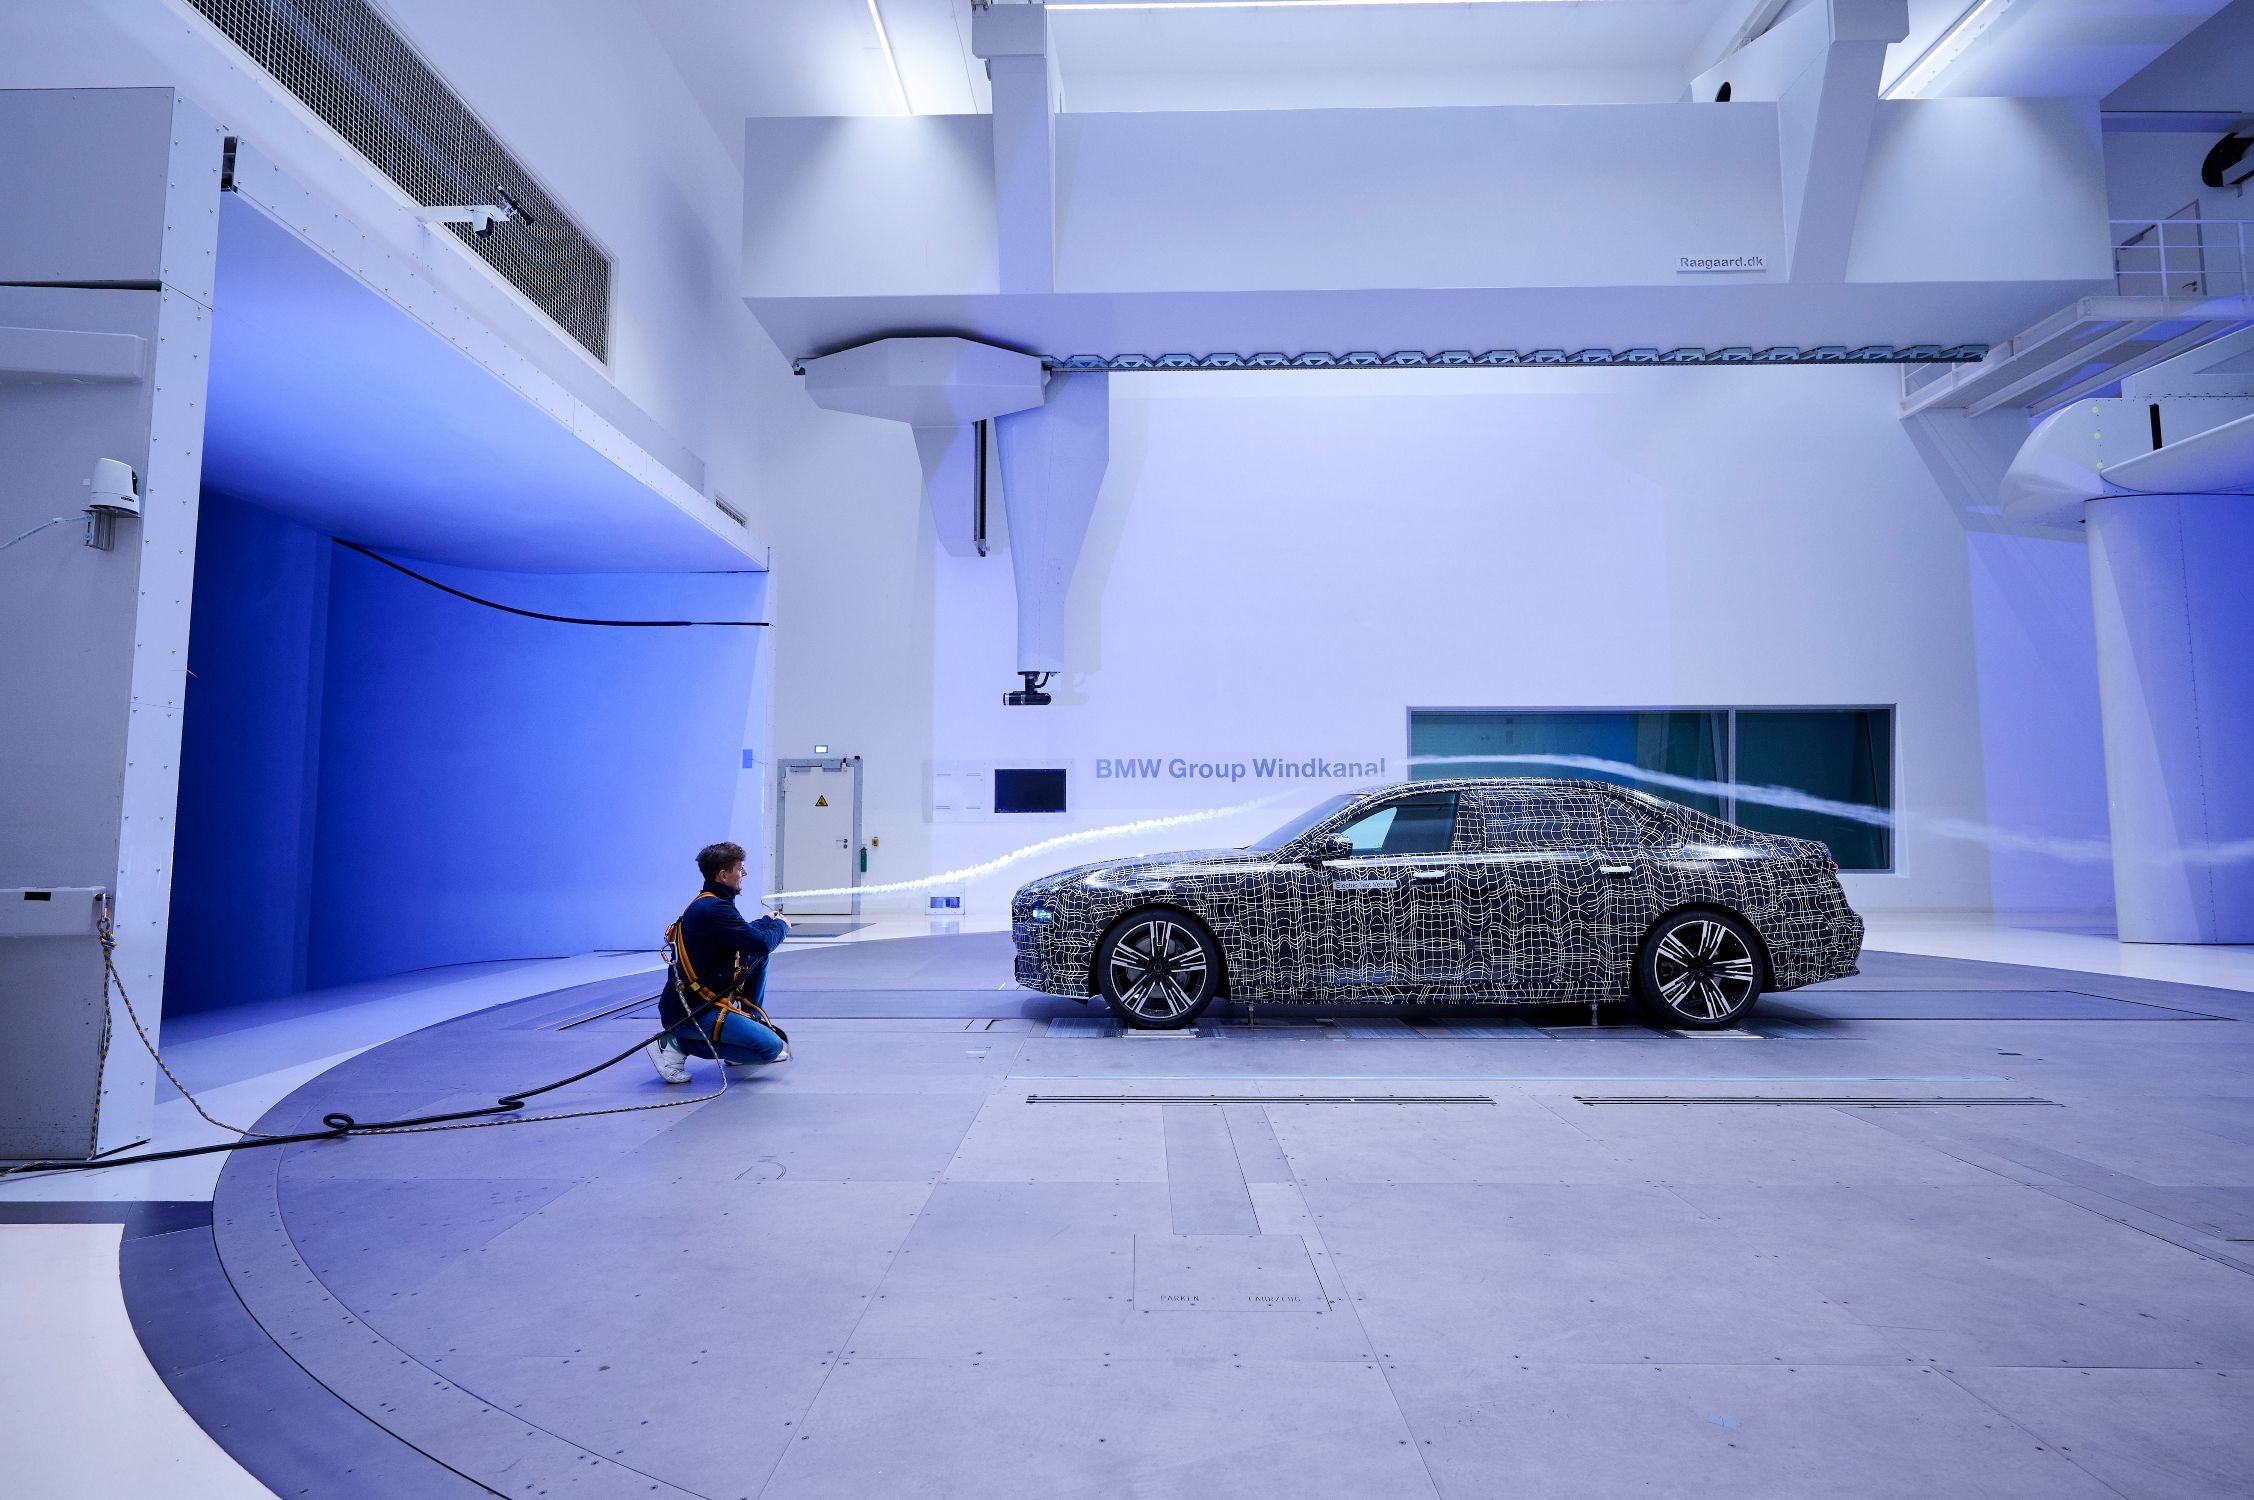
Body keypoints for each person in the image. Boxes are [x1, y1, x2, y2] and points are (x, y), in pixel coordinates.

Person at [647, 841, 792, 1084]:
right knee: (769, 1048)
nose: (744, 873)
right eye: (740, 868)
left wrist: (767, 921)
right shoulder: (714, 909)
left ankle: (742, 1035)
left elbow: (745, 936)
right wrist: (781, 926)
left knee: (758, 958)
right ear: (723, 875)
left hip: (699, 1003)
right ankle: (674, 1043)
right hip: (692, 1012)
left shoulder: (711, 904)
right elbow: (761, 943)